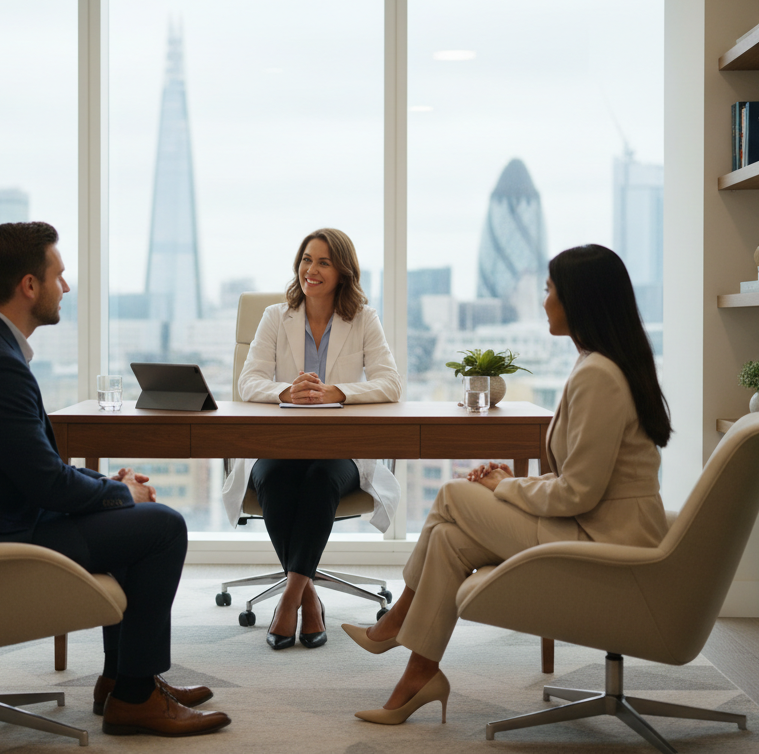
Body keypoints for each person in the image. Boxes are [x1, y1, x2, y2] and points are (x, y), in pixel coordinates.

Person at [0, 221, 230, 737]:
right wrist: (120, 491)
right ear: (29, 286)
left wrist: (112, 492)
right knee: (163, 527)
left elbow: (33, 470)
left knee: (129, 516)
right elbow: (47, 486)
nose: (67, 287)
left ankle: (122, 681)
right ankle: (135, 696)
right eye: (59, 274)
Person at [342, 244, 671, 724]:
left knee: (455, 494)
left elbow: (579, 492)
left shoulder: (599, 374)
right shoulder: (606, 364)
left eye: (550, 290)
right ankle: (419, 674)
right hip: (600, 528)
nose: (544, 302)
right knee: (452, 540)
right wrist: (511, 481)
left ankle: (398, 620)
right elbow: (583, 479)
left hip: (605, 543)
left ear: (580, 300)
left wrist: (504, 488)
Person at [221, 228, 402, 650]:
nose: (311, 270)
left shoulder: (362, 319)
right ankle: (308, 596)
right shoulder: (274, 316)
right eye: (306, 259)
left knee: (320, 478)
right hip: (280, 446)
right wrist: (285, 391)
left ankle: (289, 599)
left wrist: (340, 392)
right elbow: (248, 382)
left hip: (339, 451)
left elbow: (390, 383)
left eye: (323, 261)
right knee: (276, 479)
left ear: (342, 271)